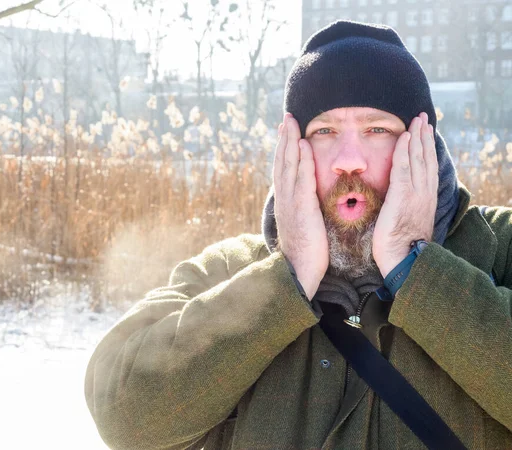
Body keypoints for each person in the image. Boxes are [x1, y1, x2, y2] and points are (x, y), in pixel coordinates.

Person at [84, 21, 512, 449]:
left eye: (376, 129)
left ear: (422, 146)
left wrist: (416, 270)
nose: (349, 161)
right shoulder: (234, 269)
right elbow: (125, 420)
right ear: (293, 150)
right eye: (324, 131)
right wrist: (286, 278)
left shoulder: (500, 248)